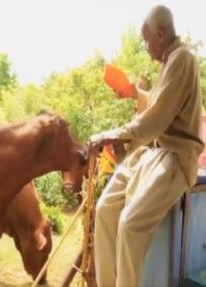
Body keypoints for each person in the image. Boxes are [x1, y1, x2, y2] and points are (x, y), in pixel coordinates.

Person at [89, 5, 204, 287]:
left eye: (146, 39)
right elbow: (159, 104)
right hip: (149, 153)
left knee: (130, 225)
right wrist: (133, 93)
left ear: (161, 36)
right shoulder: (169, 62)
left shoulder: (183, 59)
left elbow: (156, 120)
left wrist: (112, 135)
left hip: (174, 158)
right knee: (104, 211)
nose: (145, 47)